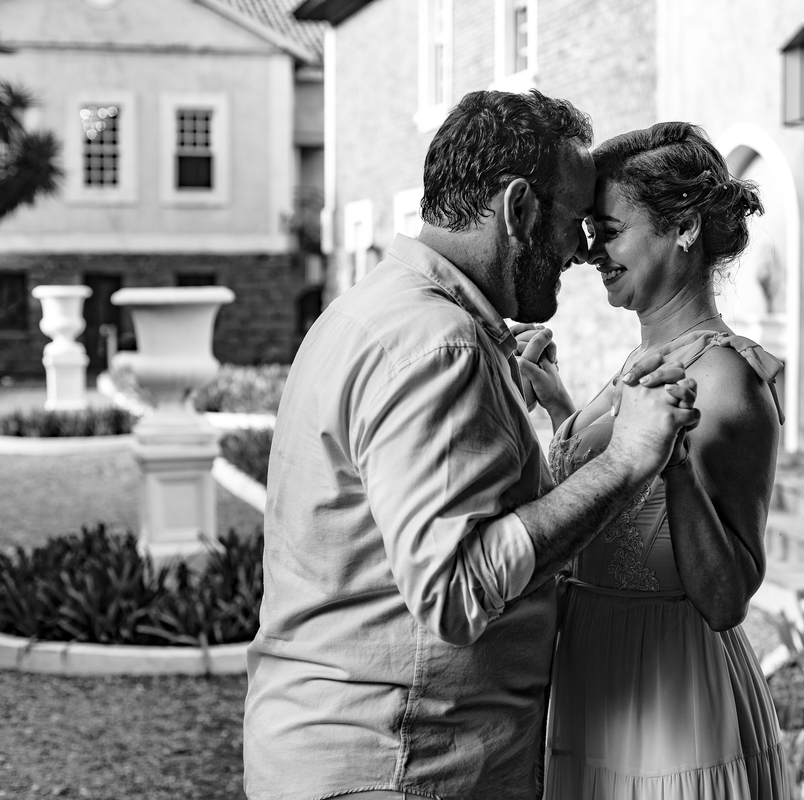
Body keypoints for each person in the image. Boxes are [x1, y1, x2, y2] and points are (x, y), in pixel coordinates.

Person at [243, 91, 701, 800]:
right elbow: (454, 590)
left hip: (342, 746)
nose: (583, 250)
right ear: (518, 210)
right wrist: (625, 461)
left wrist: (501, 399)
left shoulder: (373, 311)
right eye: (572, 220)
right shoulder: (439, 347)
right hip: (402, 763)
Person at [517, 121, 789, 799]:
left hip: (671, 703)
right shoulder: (646, 359)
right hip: (596, 681)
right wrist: (561, 408)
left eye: (608, 231)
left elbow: (726, 598)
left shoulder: (728, 381)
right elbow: (623, 504)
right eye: (588, 233)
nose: (590, 253)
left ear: (685, 228)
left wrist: (671, 462)